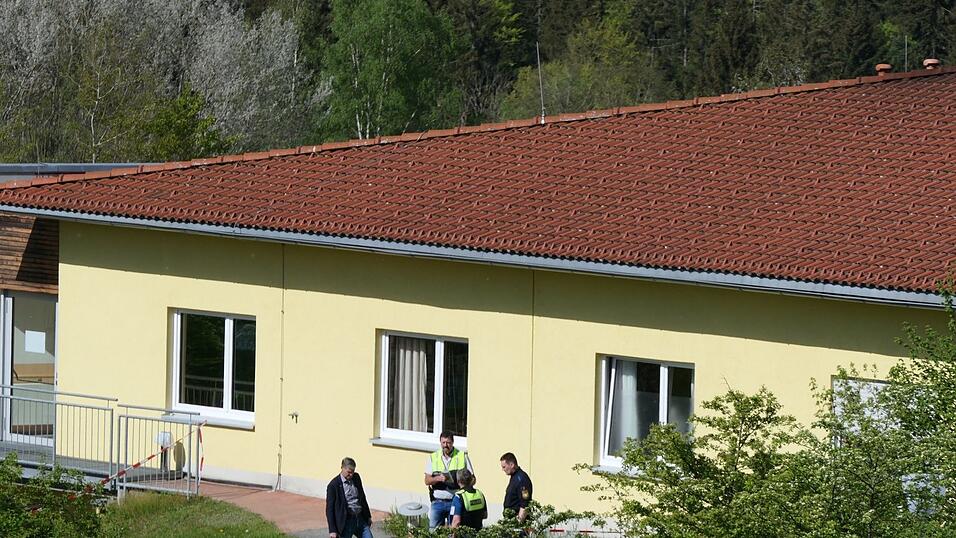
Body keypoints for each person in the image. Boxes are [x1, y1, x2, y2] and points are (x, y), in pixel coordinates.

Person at [424, 430, 474, 528]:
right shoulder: (433, 457)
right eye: (443, 442)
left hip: (455, 501)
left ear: (453, 443)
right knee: (434, 532)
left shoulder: (462, 456)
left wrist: (462, 483)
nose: (446, 445)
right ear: (440, 442)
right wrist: (438, 478)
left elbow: (473, 479)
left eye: (448, 443)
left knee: (454, 531)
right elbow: (427, 480)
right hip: (437, 501)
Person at [327, 457, 373, 538]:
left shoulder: (356, 478)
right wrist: (332, 530)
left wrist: (368, 516)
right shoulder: (333, 485)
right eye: (349, 472)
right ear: (342, 468)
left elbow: (362, 497)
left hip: (360, 519)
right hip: (346, 522)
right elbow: (329, 509)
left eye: (352, 472)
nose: (351, 475)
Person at [500, 452, 532, 522]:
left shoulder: (521, 479)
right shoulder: (514, 477)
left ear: (511, 465)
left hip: (518, 525)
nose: (503, 469)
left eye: (504, 467)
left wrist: (518, 523)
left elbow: (525, 504)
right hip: (511, 521)